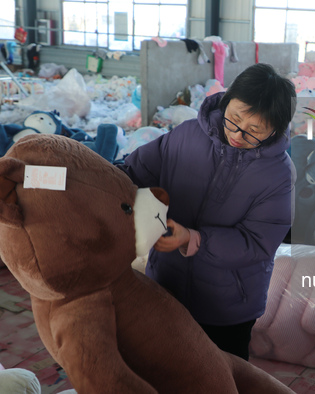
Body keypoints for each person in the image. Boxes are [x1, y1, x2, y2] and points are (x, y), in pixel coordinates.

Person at [117, 63, 296, 361]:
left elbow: (257, 243)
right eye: (234, 119)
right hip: (167, 286)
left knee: (220, 377)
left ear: (275, 129)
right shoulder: (187, 135)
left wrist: (192, 238)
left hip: (227, 307)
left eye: (254, 131)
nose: (238, 134)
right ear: (226, 101)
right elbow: (137, 170)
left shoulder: (278, 174)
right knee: (162, 367)